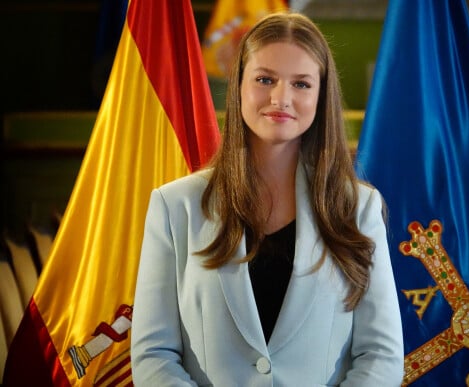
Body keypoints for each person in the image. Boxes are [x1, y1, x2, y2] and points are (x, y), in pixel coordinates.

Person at [131, 12, 404, 386]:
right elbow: (153, 354)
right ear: (239, 85)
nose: (281, 98)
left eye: (302, 84)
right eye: (265, 79)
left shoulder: (358, 208)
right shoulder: (174, 205)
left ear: (322, 96)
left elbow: (381, 355)